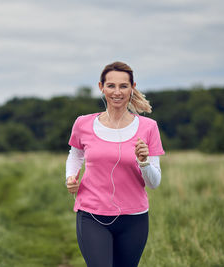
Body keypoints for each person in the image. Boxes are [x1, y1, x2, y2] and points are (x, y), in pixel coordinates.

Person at [65, 61, 165, 267]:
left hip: (134, 219)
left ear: (132, 88)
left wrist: (144, 162)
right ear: (101, 87)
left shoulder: (149, 127)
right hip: (92, 215)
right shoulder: (83, 123)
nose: (117, 92)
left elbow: (154, 183)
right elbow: (75, 155)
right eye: (111, 86)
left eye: (123, 86)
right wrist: (70, 177)